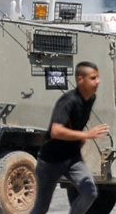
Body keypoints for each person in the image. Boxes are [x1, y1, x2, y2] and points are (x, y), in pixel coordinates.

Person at [29, 61, 108, 214]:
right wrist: (86, 134)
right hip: (50, 160)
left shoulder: (90, 98)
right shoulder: (68, 101)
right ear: (80, 80)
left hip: (73, 158)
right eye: (93, 78)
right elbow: (56, 131)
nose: (98, 81)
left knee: (90, 193)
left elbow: (76, 123)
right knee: (41, 208)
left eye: (98, 77)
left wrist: (80, 138)